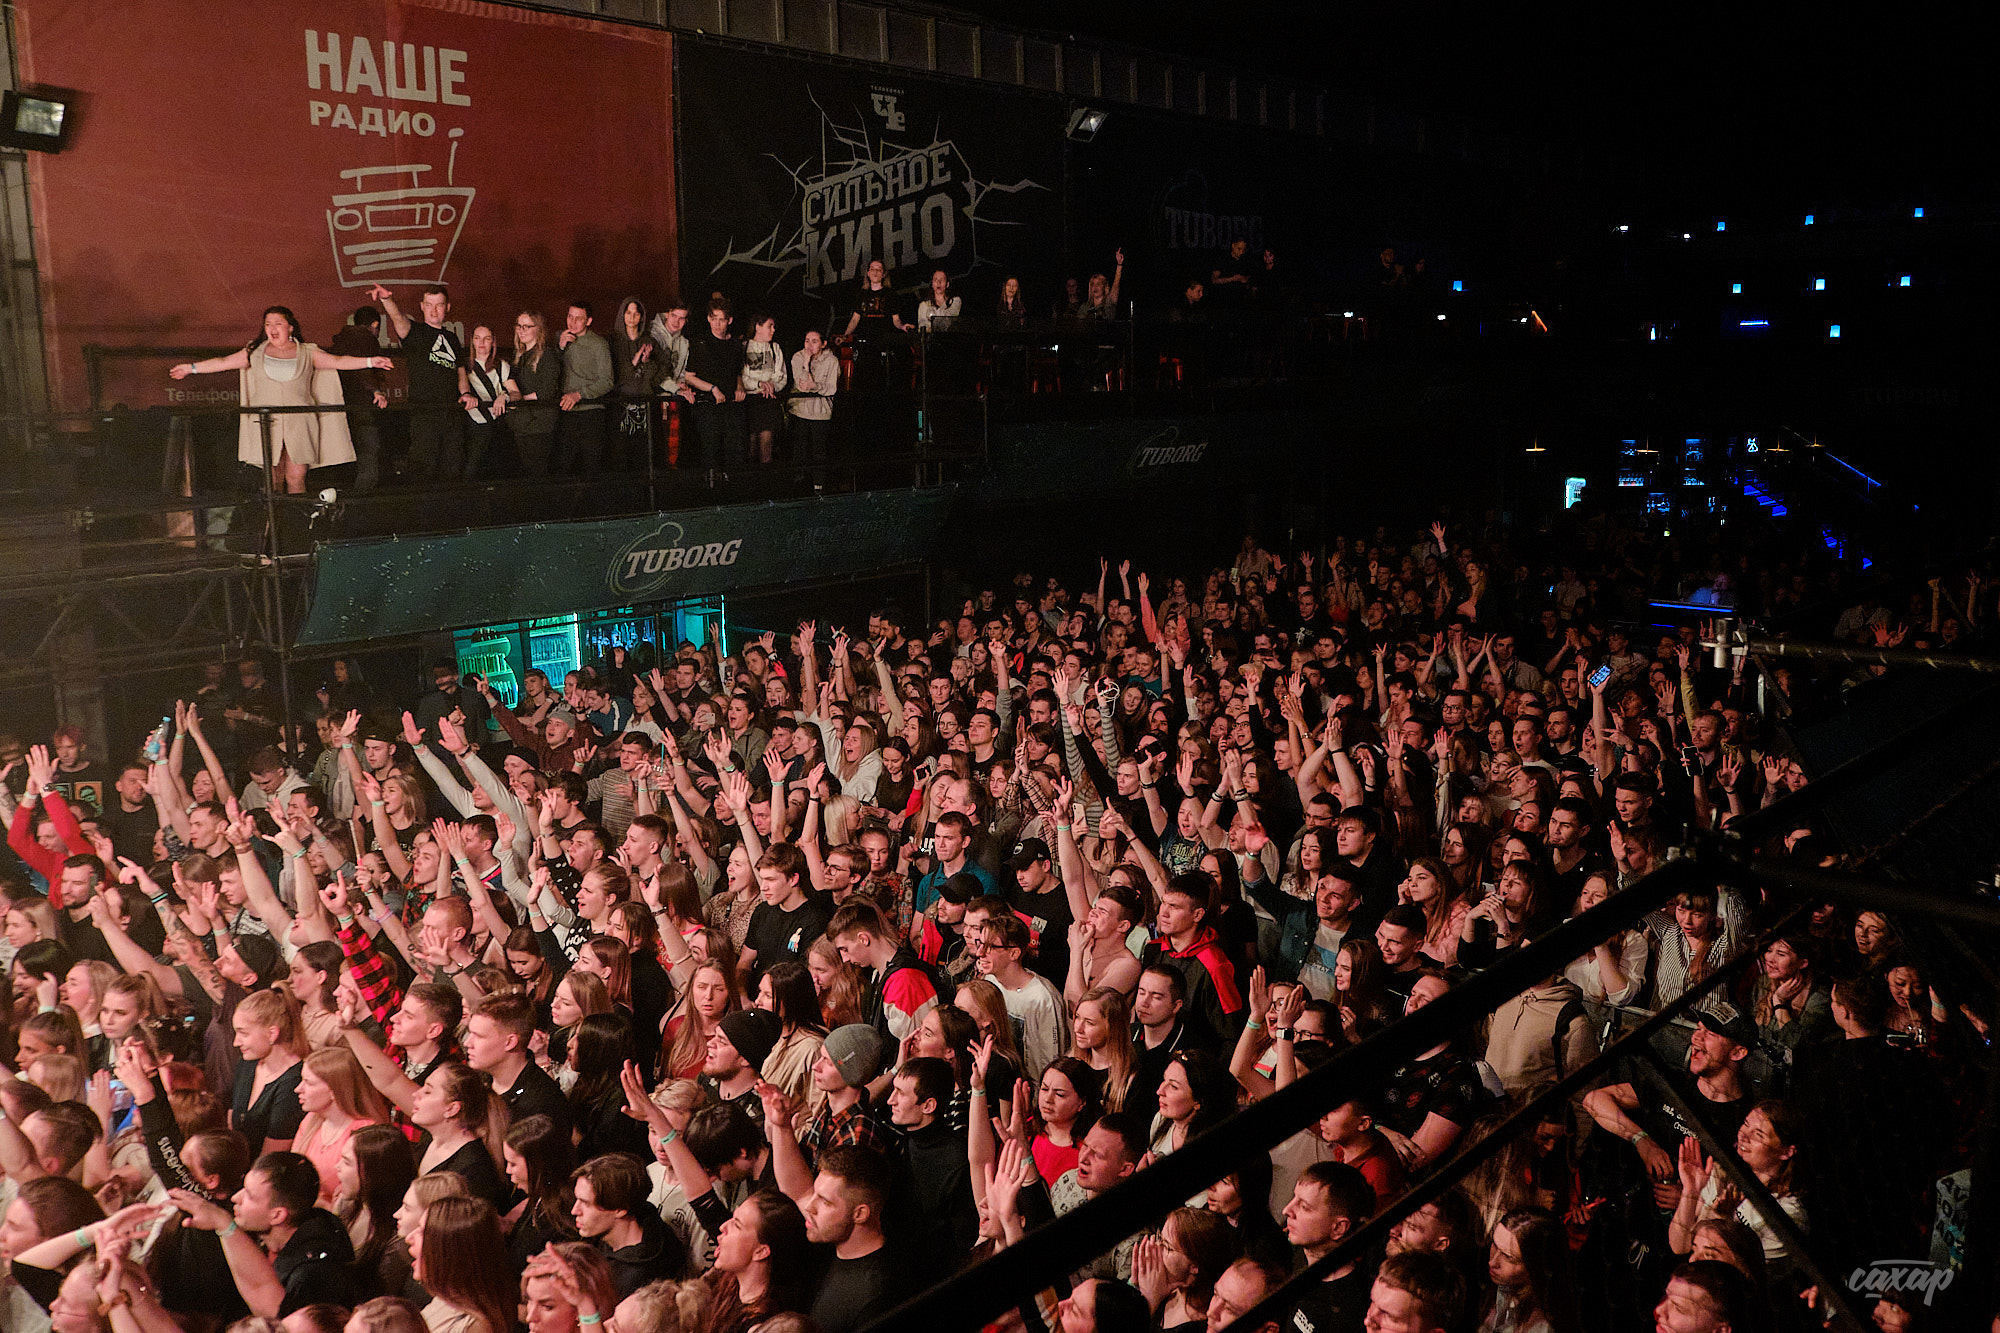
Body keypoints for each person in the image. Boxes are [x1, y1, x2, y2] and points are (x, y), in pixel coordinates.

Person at [168, 306, 390, 493]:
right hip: (267, 423)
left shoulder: (307, 352)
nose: (272, 329)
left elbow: (339, 361)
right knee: (271, 479)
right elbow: (223, 361)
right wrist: (192, 368)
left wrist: (371, 361)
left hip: (300, 423)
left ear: (290, 327)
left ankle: (297, 527)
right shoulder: (254, 351)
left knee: (296, 477)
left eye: (278, 324)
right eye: (268, 324)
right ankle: (273, 529)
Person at [368, 284, 476, 483]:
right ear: (422, 306)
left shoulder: (452, 338)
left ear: (447, 307)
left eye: (439, 305)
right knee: (423, 465)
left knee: (453, 465)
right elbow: (398, 319)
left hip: (451, 411)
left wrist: (466, 394)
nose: (434, 310)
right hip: (424, 411)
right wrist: (387, 300)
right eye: (429, 305)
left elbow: (460, 372)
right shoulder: (415, 331)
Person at [326, 305, 391, 493]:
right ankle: (362, 497)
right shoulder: (366, 338)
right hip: (363, 405)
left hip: (340, 403)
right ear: (375, 325)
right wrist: (376, 391)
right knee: (369, 451)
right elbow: (364, 368)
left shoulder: (341, 340)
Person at [682, 296, 747, 479]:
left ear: (729, 321)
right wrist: (712, 388)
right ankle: (711, 488)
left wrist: (740, 387)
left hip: (731, 404)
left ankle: (731, 487)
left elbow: (738, 372)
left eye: (721, 319)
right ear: (708, 318)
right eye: (714, 318)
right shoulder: (700, 343)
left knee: (734, 449)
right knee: (710, 449)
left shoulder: (735, 344)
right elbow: (690, 377)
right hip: (708, 403)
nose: (717, 324)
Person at [557, 302, 613, 475]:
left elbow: (608, 381)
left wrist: (579, 394)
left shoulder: (598, 344)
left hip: (591, 411)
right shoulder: (560, 338)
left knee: (591, 465)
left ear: (588, 321)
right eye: (570, 317)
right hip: (565, 410)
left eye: (578, 318)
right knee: (564, 465)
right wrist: (560, 347)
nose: (572, 322)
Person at [508, 311, 563, 476]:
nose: (522, 330)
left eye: (527, 326)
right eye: (519, 326)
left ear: (538, 329)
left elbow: (547, 391)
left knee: (537, 472)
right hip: (521, 422)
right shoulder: (518, 355)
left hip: (540, 424)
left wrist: (520, 400)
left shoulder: (547, 355)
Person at [787, 329, 839, 487]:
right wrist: (806, 364)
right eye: (807, 340)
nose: (809, 345)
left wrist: (815, 385)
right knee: (799, 447)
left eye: (814, 341)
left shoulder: (832, 361)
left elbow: (831, 389)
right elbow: (802, 385)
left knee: (819, 450)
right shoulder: (798, 357)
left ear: (823, 344)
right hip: (800, 409)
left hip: (821, 412)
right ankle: (798, 481)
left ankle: (819, 484)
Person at [460, 324, 511, 481]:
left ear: (493, 342)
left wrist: (504, 396)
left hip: (497, 425)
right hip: (470, 426)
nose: (481, 343)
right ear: (472, 342)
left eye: (486, 338)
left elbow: (514, 393)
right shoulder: (463, 367)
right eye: (477, 338)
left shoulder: (502, 365)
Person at [739, 314, 788, 467]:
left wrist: (772, 386)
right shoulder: (744, 346)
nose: (773, 330)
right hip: (749, 401)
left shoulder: (775, 347)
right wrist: (759, 384)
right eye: (769, 326)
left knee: (767, 446)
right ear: (758, 327)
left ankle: (766, 483)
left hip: (768, 401)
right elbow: (741, 376)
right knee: (750, 446)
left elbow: (781, 375)